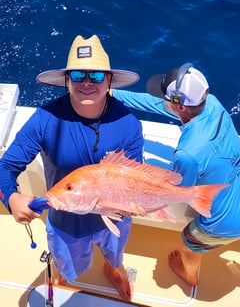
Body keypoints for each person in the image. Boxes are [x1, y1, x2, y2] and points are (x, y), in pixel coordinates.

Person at [0, 34, 144, 301]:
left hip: (115, 217)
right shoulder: (45, 119)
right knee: (68, 268)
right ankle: (64, 278)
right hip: (67, 223)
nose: (87, 83)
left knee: (115, 254)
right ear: (67, 80)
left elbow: (137, 174)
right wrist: (12, 197)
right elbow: (5, 166)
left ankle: (113, 268)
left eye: (97, 76)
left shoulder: (129, 123)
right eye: (78, 75)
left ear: (109, 80)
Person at [112, 62, 240, 286]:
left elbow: (179, 191)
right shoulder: (213, 104)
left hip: (224, 223)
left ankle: (189, 275)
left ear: (179, 106)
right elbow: (157, 105)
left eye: (166, 98)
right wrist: (113, 93)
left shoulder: (187, 153)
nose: (162, 101)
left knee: (191, 240)